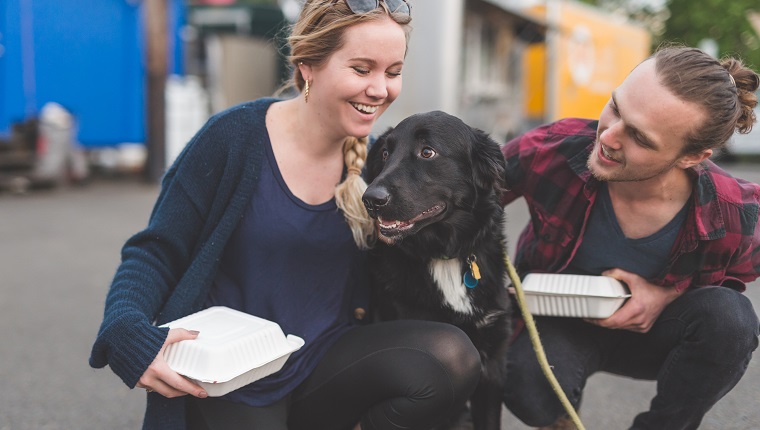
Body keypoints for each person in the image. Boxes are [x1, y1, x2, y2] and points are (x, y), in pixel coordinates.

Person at [89, 1, 483, 429]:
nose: (379, 89)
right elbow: (156, 251)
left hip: (327, 362)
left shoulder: (377, 166)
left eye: (392, 72)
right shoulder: (233, 138)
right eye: (362, 68)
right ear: (308, 65)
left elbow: (451, 217)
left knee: (449, 358)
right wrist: (127, 331)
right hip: (235, 374)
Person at [500, 45, 760, 430]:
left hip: (657, 336)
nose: (608, 136)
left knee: (731, 320)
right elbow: (465, 195)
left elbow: (737, 276)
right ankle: (558, 420)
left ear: (691, 157)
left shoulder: (736, 210)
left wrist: (665, 294)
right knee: (524, 379)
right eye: (616, 107)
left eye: (639, 137)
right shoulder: (552, 149)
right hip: (559, 325)